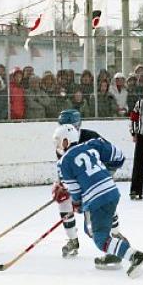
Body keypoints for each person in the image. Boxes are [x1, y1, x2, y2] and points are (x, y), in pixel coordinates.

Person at [53, 124, 143, 277]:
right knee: (91, 229)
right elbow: (118, 156)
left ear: (67, 141)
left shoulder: (63, 162)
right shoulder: (91, 145)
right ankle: (116, 250)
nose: (58, 145)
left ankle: (136, 257)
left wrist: (77, 205)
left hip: (96, 199)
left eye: (60, 141)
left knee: (100, 238)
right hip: (112, 191)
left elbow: (75, 191)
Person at [51, 109, 123, 258]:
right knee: (64, 203)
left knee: (101, 213)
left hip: (95, 184)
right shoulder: (62, 140)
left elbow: (110, 156)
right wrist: (61, 185)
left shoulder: (91, 137)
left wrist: (104, 176)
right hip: (78, 184)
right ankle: (72, 241)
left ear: (77, 125)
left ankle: (115, 236)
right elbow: (63, 168)